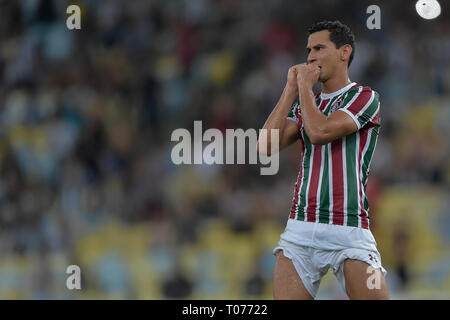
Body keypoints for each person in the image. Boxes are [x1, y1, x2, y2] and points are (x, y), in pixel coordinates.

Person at [257, 20, 389, 300]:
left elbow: (320, 132)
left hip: (349, 229)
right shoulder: (306, 101)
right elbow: (265, 148)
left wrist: (304, 88)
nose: (310, 57)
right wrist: (290, 89)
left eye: (319, 48)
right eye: (308, 50)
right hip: (300, 228)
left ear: (344, 52)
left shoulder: (365, 97)